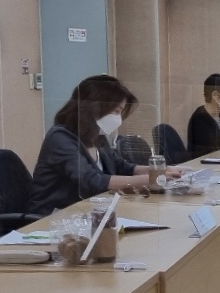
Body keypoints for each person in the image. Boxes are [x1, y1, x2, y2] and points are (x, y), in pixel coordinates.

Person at [29, 75, 180, 215]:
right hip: (53, 218)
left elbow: (123, 167)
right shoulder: (59, 138)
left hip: (90, 212)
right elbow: (93, 181)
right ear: (94, 108)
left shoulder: (97, 137)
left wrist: (163, 170)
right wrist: (153, 178)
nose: (118, 118)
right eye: (116, 111)